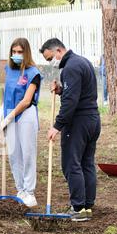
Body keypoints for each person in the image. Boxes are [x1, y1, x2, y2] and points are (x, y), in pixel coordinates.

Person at [39, 38, 101, 222]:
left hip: (78, 122)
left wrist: (57, 126)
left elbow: (71, 102)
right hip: (92, 119)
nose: (52, 63)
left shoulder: (71, 67)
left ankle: (78, 208)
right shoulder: (83, 62)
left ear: (58, 50)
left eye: (51, 58)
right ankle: (87, 206)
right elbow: (79, 92)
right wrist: (61, 90)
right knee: (86, 163)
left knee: (71, 164)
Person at [1, 38, 42, 207]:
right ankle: (20, 190)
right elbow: (7, 94)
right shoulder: (9, 70)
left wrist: (10, 117)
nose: (16, 55)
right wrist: (3, 114)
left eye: (20, 52)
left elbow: (26, 100)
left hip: (25, 115)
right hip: (9, 113)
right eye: (14, 52)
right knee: (13, 153)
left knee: (27, 153)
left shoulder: (33, 73)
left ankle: (30, 192)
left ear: (26, 53)